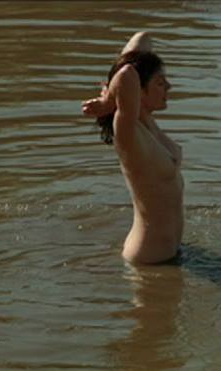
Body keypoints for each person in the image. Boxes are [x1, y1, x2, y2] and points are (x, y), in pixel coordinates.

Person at [82, 32, 183, 264]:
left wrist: (114, 89)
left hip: (171, 254)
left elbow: (142, 38)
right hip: (149, 261)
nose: (169, 86)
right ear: (140, 91)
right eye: (160, 82)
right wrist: (109, 101)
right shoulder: (128, 130)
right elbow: (127, 73)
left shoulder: (145, 121)